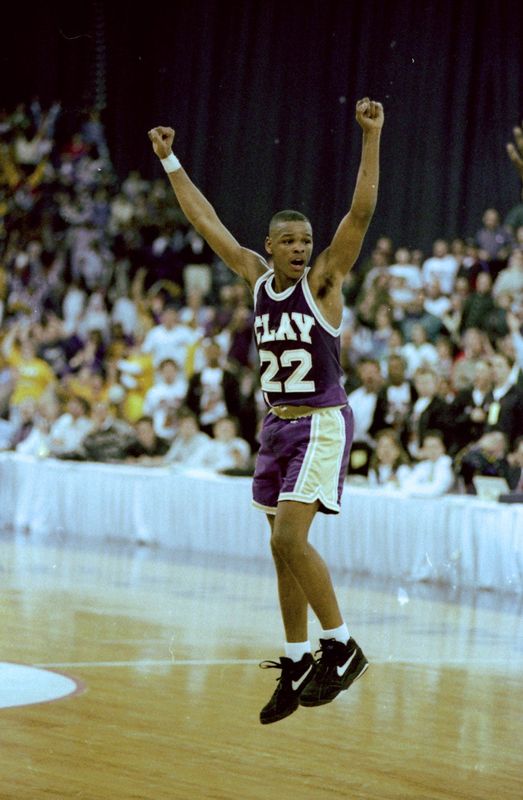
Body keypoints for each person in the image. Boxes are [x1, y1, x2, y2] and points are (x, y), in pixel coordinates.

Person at [148, 96, 384, 724]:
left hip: (321, 422)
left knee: (288, 535)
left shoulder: (327, 281)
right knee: (279, 550)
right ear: (270, 246)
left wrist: (371, 138)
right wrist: (171, 160)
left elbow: (361, 211)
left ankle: (343, 645)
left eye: (307, 239)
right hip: (276, 424)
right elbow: (207, 223)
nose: (302, 247)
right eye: (290, 241)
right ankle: (297, 657)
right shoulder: (254, 277)